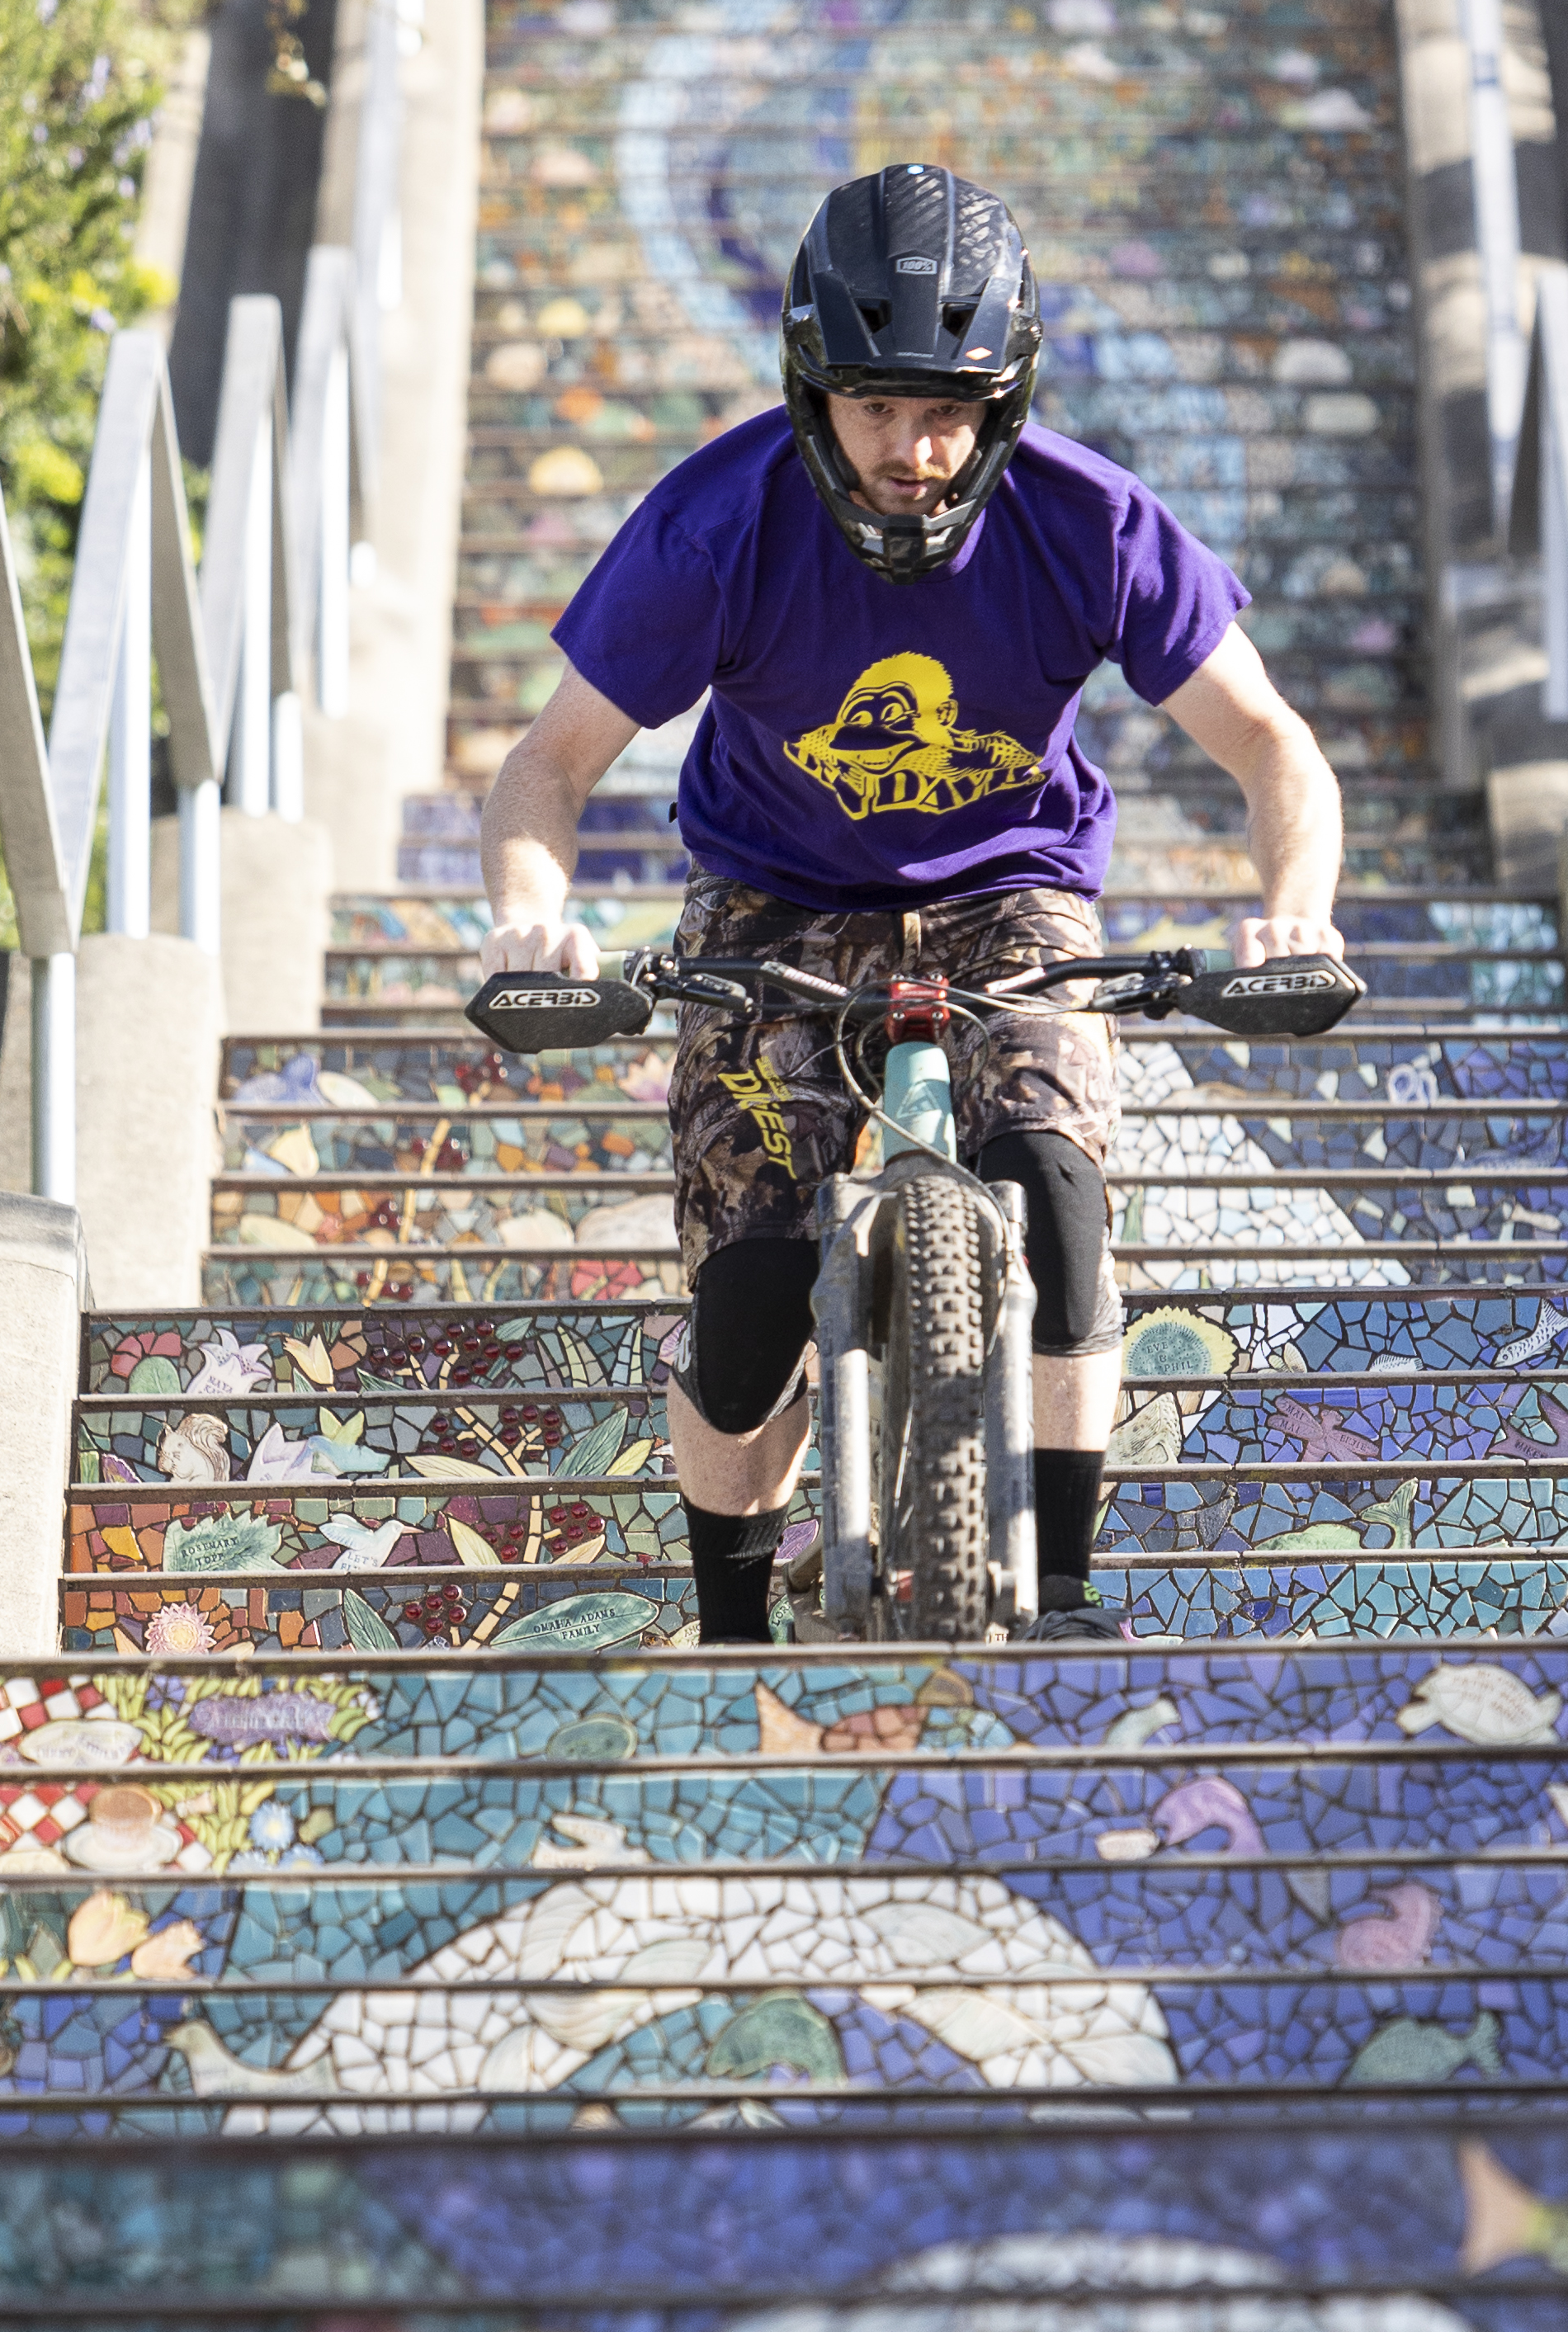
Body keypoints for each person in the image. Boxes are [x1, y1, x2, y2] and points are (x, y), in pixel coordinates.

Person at [475, 158, 1346, 1644]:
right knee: (750, 1287)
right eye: (876, 406)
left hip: (1014, 894)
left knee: (1060, 1192)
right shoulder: (718, 524)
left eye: (949, 410)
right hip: (772, 902)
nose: (915, 450)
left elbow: (1273, 743)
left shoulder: (1090, 523)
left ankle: (1063, 1586)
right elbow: (549, 763)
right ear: (812, 390)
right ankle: (732, 1627)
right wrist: (526, 916)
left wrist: (1299, 911)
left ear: (1004, 403)